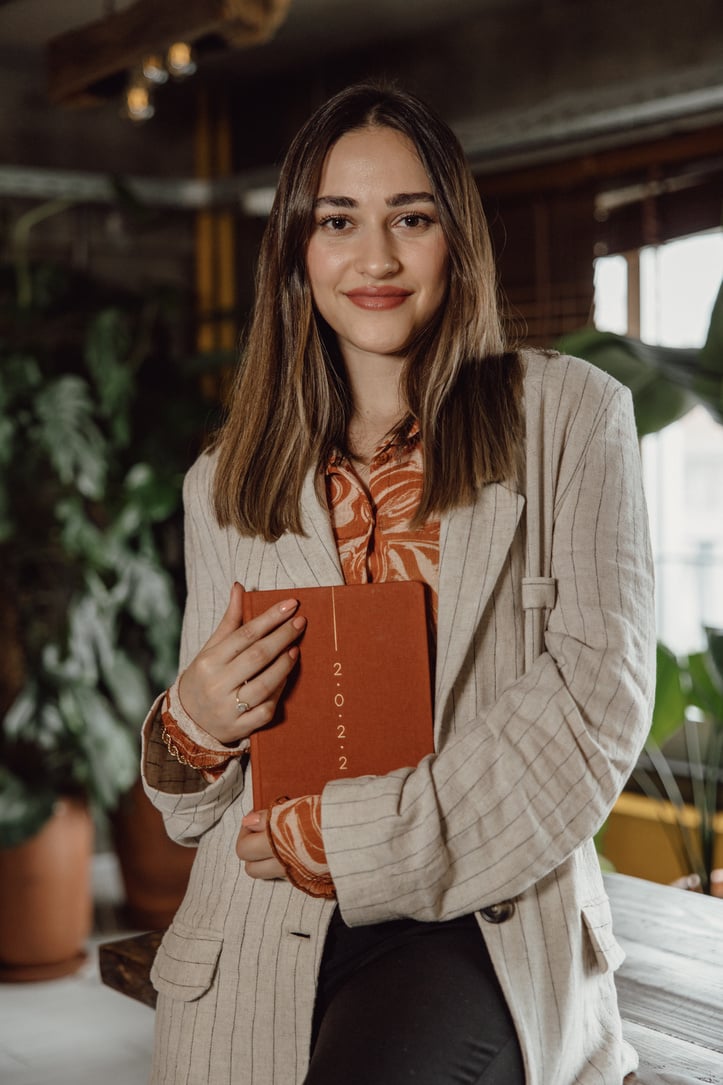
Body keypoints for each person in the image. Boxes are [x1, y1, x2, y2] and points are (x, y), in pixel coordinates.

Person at [141, 81, 655, 1085]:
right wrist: (187, 723)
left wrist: (353, 839)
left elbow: (597, 704)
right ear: (297, 249)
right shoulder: (223, 483)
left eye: (410, 219)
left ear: (455, 240)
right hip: (260, 936)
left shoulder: (572, 419)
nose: (374, 260)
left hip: (476, 925)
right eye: (338, 221)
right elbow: (192, 810)